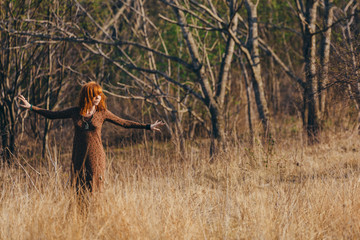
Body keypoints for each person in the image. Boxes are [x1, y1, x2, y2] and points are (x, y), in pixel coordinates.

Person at [17, 81, 164, 192]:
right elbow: (52, 115)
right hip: (78, 156)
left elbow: (124, 123)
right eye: (95, 94)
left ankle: (96, 216)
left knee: (94, 188)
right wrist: (31, 107)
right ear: (88, 96)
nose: (98, 97)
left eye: (100, 94)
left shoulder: (102, 113)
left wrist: (148, 126)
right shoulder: (75, 112)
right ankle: (80, 219)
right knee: (78, 188)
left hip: (96, 156)